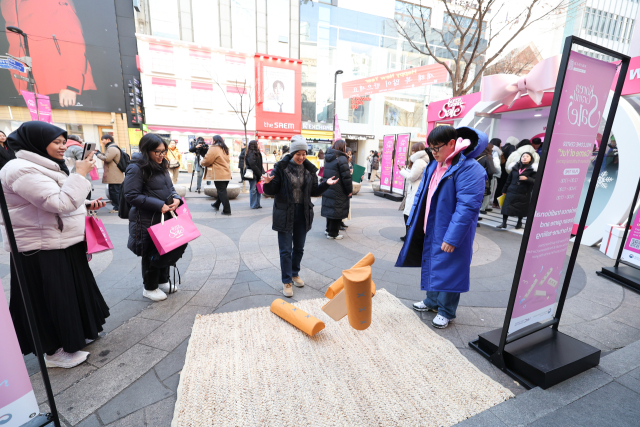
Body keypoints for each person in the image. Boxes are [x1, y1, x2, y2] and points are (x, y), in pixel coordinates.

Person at [0, 121, 109, 368]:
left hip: (61, 240)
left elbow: (60, 200)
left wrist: (87, 204)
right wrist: (79, 174)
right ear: (37, 142)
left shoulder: (45, 165)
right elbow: (58, 203)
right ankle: (53, 352)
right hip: (39, 248)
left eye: (63, 142)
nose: (62, 147)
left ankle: (75, 336)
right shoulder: (20, 169)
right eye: (56, 142)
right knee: (49, 299)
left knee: (71, 293)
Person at [396, 126, 487, 329]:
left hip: (450, 230)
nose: (434, 152)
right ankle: (431, 301)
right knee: (434, 264)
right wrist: (414, 221)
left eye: (437, 148)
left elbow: (468, 207)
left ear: (452, 144)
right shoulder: (436, 164)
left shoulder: (470, 168)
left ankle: (446, 311)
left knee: (450, 270)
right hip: (433, 226)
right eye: (431, 148)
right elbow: (423, 193)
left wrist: (452, 237)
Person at [262, 136, 338, 297]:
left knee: (299, 248)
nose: (302, 157)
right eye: (298, 153)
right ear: (292, 152)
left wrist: (326, 184)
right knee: (285, 250)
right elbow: (270, 191)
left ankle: (295, 273)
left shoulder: (309, 170)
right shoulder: (281, 169)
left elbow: (314, 192)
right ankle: (287, 281)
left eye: (304, 154)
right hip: (284, 212)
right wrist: (267, 183)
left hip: (302, 213)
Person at [124, 134, 182, 302]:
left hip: (164, 216)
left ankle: (162, 280)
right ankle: (149, 287)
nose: (161, 155)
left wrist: (177, 198)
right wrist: (158, 205)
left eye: (163, 151)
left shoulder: (161, 165)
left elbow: (170, 188)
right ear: (146, 150)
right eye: (157, 151)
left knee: (165, 250)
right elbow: (131, 195)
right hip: (146, 219)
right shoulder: (137, 168)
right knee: (151, 254)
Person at [321, 140, 353, 240]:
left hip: (328, 187)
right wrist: (349, 190)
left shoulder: (328, 157)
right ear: (343, 147)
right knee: (337, 211)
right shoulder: (341, 158)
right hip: (338, 189)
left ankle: (328, 230)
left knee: (330, 209)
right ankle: (333, 233)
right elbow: (346, 177)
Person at [498, 152, 538, 230]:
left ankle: (519, 222)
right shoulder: (515, 167)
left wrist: (527, 179)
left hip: (524, 192)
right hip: (511, 190)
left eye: (527, 156)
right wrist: (504, 190)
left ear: (531, 159)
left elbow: (536, 181)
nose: (525, 158)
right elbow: (508, 180)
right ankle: (504, 223)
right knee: (506, 207)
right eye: (523, 156)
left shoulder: (533, 169)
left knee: (521, 208)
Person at [399, 143, 428, 241]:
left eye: (413, 150)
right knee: (408, 213)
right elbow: (414, 173)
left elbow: (412, 177)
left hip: (415, 190)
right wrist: (405, 169)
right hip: (416, 189)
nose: (412, 152)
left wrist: (402, 171)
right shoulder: (422, 160)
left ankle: (409, 237)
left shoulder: (419, 161)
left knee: (408, 214)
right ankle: (408, 236)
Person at [201, 135, 232, 215]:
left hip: (219, 174)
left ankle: (227, 210)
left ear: (214, 140)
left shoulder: (214, 148)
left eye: (212, 140)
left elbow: (208, 160)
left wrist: (201, 162)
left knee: (221, 191)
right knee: (222, 191)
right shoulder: (224, 148)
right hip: (227, 173)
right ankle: (217, 204)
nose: (211, 141)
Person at [96, 135, 124, 213]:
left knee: (114, 192)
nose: (102, 142)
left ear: (108, 139)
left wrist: (97, 154)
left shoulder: (112, 148)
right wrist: (100, 152)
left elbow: (107, 158)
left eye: (103, 140)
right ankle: (118, 207)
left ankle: (117, 208)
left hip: (114, 175)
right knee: (116, 191)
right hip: (115, 175)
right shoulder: (112, 147)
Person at [476, 143, 496, 215]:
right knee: (481, 197)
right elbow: (492, 171)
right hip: (484, 179)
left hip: (474, 179)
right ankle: (476, 217)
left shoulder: (475, 155)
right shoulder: (488, 157)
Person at [245, 140, 265, 209]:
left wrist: (263, 173)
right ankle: (253, 205)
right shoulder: (251, 154)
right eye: (257, 144)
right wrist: (260, 174)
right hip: (253, 175)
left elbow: (260, 165)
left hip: (258, 174)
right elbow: (252, 165)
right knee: (253, 190)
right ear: (254, 145)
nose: (258, 145)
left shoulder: (258, 153)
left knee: (259, 189)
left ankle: (257, 204)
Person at [490, 139, 503, 208]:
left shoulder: (489, 149)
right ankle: (485, 206)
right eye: (500, 143)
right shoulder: (496, 151)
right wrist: (498, 173)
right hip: (493, 173)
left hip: (487, 171)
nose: (501, 145)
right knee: (491, 189)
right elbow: (496, 163)